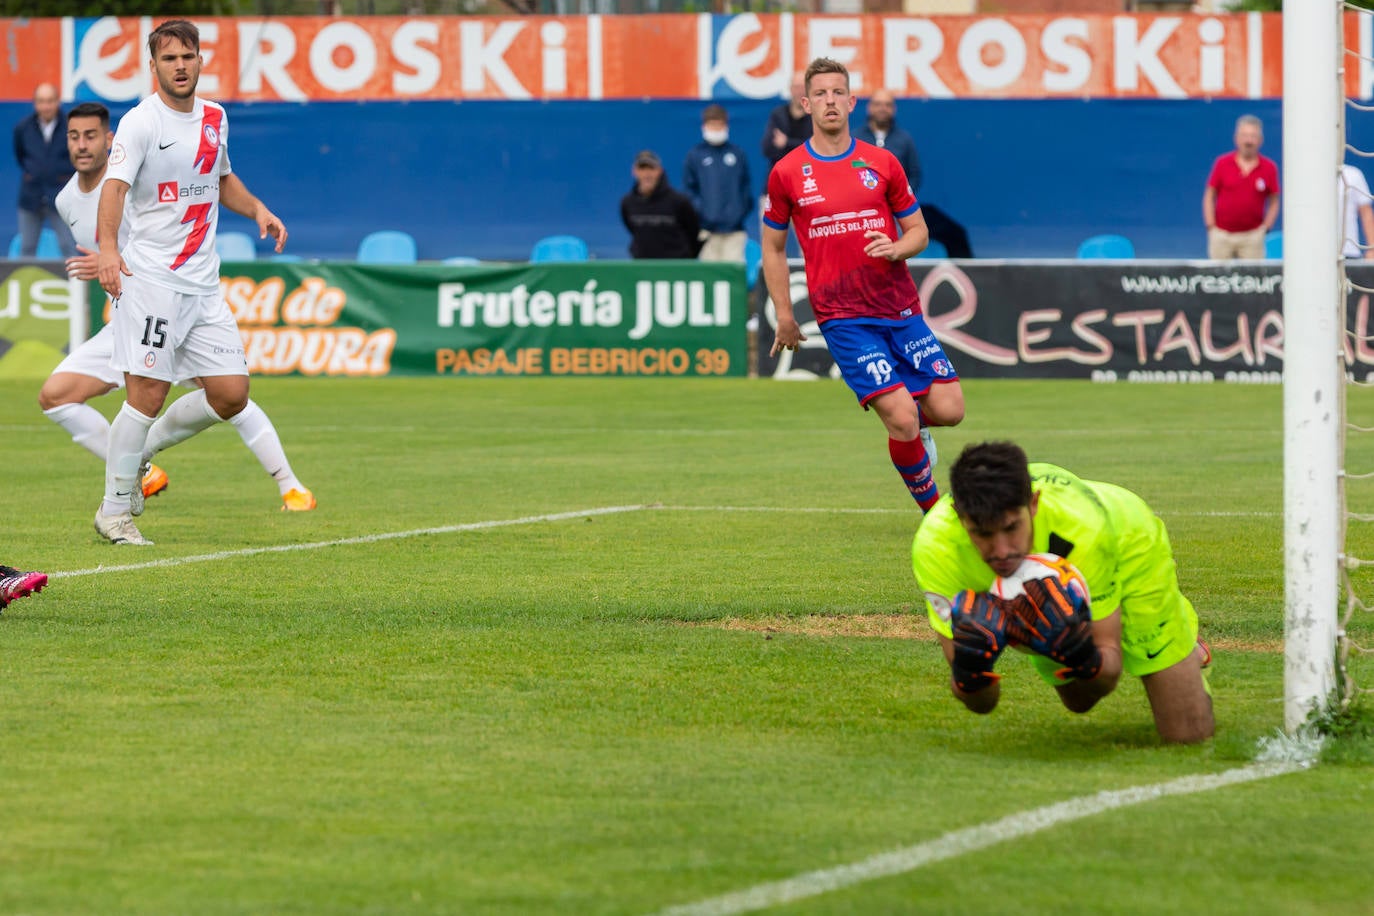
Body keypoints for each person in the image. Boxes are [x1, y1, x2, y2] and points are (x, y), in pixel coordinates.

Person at [41, 101, 315, 515]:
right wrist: (109, 258)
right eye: (74, 136)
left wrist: (113, 254)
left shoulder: (133, 178)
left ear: (110, 141)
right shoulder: (66, 202)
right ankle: (143, 472)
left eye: (91, 135)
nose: (82, 145)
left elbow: (156, 238)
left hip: (166, 299)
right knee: (56, 396)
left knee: (228, 393)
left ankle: (289, 484)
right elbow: (111, 253)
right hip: (128, 314)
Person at [93, 20, 291, 546]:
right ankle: (113, 512)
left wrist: (257, 210)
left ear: (201, 60)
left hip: (204, 286)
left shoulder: (215, 118)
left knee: (231, 394)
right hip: (152, 279)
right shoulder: (140, 123)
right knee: (146, 395)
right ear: (152, 66)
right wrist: (108, 250)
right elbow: (113, 190)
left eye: (188, 56)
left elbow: (220, 179)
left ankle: (142, 454)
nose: (179, 65)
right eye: (169, 58)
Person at [912, 440, 1215, 745]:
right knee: (1079, 699)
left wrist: (1082, 654)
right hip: (1067, 563)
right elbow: (982, 704)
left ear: (1033, 504)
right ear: (958, 516)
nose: (1002, 551)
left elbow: (1109, 671)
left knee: (1187, 735)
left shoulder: (1083, 526)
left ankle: (1178, 631)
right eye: (983, 534)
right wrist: (971, 670)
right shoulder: (936, 549)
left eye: (1012, 527)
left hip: (1128, 538)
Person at [762, 57, 963, 513]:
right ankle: (937, 517)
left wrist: (897, 249)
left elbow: (920, 232)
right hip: (843, 316)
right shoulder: (787, 172)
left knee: (950, 409)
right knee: (900, 417)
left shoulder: (883, 162)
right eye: (820, 94)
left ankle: (915, 429)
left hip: (899, 308)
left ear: (852, 102)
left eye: (838, 93)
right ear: (805, 103)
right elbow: (773, 248)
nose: (829, 101)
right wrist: (786, 316)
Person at [853, 89, 973, 259]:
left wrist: (900, 199)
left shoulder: (904, 139)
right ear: (869, 108)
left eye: (887, 105)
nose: (882, 109)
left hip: (897, 210)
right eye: (878, 104)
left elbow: (915, 173)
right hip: (863, 210)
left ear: (893, 109)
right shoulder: (855, 138)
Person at [12, 82, 77, 258]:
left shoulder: (71, 127)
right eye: (41, 101)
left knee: (68, 246)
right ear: (35, 103)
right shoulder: (23, 128)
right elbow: (21, 156)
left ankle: (75, 285)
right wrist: (33, 174)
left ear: (58, 101)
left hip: (61, 196)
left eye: (50, 101)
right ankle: (27, 285)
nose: (46, 106)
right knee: (26, 248)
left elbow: (77, 157)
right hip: (31, 196)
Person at [682, 104, 753, 263]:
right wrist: (704, 215)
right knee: (709, 277)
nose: (715, 129)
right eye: (711, 125)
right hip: (706, 231)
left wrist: (737, 214)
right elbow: (689, 191)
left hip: (734, 231)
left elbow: (746, 190)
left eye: (719, 124)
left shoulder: (737, 154)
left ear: (726, 125)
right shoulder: (695, 156)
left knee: (733, 276)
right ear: (704, 126)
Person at [1203, 114, 1279, 260]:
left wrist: (1265, 228)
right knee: (1218, 280)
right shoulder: (1222, 163)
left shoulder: (1269, 168)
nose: (1248, 141)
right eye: (1245, 135)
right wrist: (1211, 226)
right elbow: (1209, 195)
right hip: (1222, 236)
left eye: (1253, 136)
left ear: (1260, 140)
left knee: (1253, 279)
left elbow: (1274, 200)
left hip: (1252, 238)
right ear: (1237, 138)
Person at [760, 72, 812, 258]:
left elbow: (814, 149)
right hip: (776, 189)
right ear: (790, 89)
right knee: (771, 245)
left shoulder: (815, 117)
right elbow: (767, 148)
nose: (799, 91)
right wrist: (797, 146)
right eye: (796, 87)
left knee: (810, 245)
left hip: (807, 190)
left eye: (803, 87)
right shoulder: (778, 115)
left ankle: (811, 286)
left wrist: (787, 143)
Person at [619, 149, 700, 260]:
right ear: (634, 171)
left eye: (651, 168)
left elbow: (693, 232)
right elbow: (632, 229)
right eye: (642, 168)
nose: (647, 174)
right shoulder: (627, 203)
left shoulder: (679, 201)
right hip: (642, 268)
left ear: (659, 171)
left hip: (676, 268)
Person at [1340, 162, 1374, 260]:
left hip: (1348, 251)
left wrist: (1372, 248)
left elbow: (1366, 213)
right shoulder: (1305, 175)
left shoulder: (1353, 174)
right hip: (1313, 250)